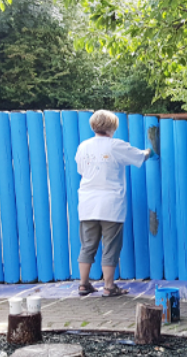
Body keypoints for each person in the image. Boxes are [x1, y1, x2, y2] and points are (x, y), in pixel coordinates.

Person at [75, 110, 153, 297]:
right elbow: (139, 156)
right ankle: (109, 287)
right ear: (113, 127)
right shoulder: (115, 145)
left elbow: (80, 169)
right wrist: (150, 151)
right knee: (111, 246)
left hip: (87, 203)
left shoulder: (83, 146)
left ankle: (84, 284)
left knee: (87, 245)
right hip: (111, 203)